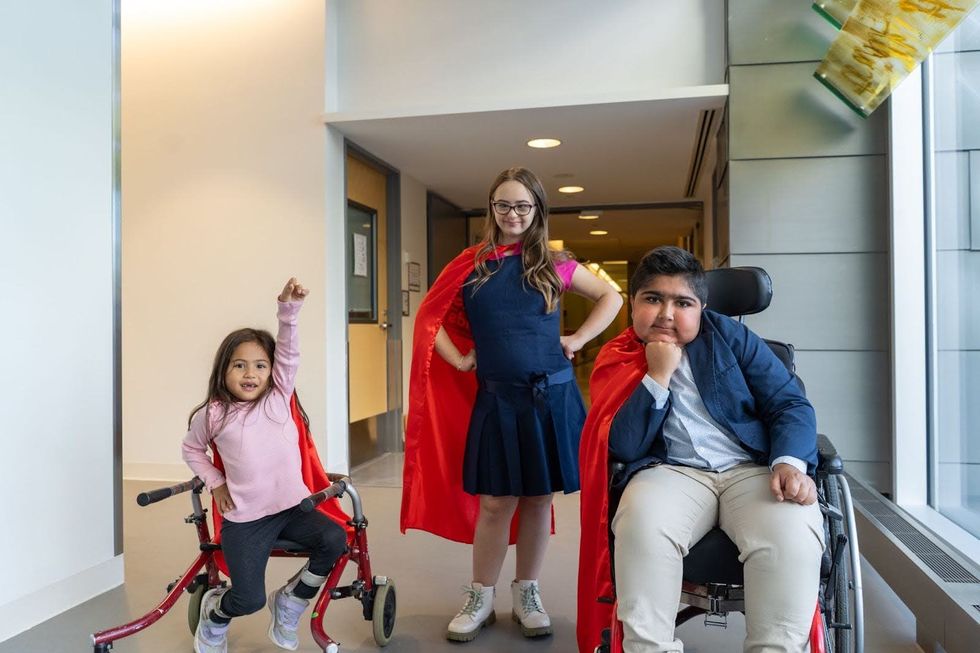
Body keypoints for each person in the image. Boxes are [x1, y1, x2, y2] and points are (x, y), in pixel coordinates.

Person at [401, 166, 623, 642]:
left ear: (537, 209)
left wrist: (578, 339)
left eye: (523, 205)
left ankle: (527, 592)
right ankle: (480, 596)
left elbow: (611, 296)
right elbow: (428, 318)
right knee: (495, 502)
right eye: (503, 205)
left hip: (550, 395)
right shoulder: (471, 263)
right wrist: (460, 358)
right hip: (497, 397)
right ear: (492, 207)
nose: (513, 214)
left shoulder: (555, 263)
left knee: (539, 498)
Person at [576, 246, 824, 653]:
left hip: (751, 468)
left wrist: (789, 463)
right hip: (669, 471)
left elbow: (788, 404)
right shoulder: (618, 356)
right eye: (653, 299)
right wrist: (657, 375)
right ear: (633, 304)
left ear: (702, 308)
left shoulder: (732, 337)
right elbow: (624, 444)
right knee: (641, 525)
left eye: (682, 303)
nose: (666, 314)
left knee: (792, 533)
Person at [182, 278, 348, 653]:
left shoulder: (278, 398)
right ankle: (215, 614)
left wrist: (289, 310)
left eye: (260, 365)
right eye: (239, 366)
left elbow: (289, 353)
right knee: (248, 600)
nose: (250, 374)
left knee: (335, 539)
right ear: (223, 371)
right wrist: (216, 481)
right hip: (247, 519)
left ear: (272, 371)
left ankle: (291, 600)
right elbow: (191, 449)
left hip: (291, 509)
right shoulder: (214, 414)